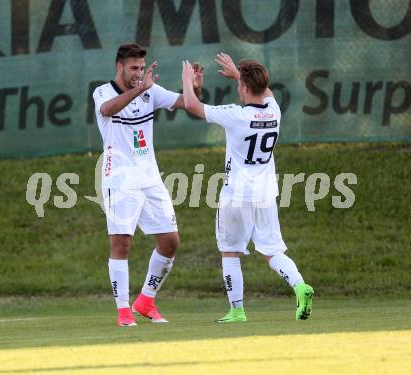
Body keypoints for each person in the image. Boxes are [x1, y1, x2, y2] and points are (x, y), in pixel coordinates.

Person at [181, 53, 314, 322]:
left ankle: (237, 311)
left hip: (236, 195)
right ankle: (300, 286)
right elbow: (266, 92)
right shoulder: (274, 111)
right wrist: (239, 76)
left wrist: (186, 81)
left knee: (230, 251)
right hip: (265, 195)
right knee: (272, 251)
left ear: (243, 87)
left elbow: (193, 106)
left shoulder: (235, 115)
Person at [93, 43, 203, 327]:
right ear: (119, 66)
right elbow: (107, 110)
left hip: (150, 179)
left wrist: (194, 87)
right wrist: (141, 89)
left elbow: (186, 104)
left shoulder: (150, 90)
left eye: (141, 68)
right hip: (119, 179)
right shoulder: (103, 92)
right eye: (133, 68)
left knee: (170, 242)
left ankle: (146, 300)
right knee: (121, 243)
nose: (138, 73)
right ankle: (123, 311)